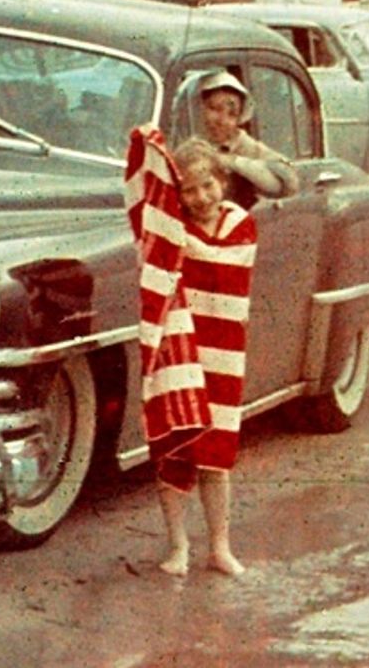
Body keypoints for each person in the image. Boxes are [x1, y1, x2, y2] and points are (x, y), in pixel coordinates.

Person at [125, 130, 257, 578]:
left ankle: (220, 547)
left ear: (223, 181)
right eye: (188, 189)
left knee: (216, 458)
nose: (201, 197)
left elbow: (222, 262)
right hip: (180, 350)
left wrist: (173, 236)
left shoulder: (241, 223)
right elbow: (150, 243)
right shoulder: (169, 229)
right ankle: (178, 544)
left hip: (223, 354)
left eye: (208, 185)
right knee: (175, 451)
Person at [196, 70, 298, 205]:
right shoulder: (183, 137)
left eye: (232, 114)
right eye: (214, 109)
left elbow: (288, 182)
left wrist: (232, 162)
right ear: (200, 107)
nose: (222, 120)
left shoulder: (245, 146)